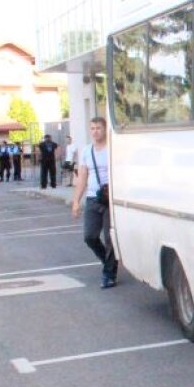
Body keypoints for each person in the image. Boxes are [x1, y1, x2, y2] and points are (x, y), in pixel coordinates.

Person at [71, 117, 118, 289]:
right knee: (89, 236)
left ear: (105, 129)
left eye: (98, 128)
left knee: (109, 238)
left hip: (110, 199)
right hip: (92, 198)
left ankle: (109, 273)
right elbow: (82, 177)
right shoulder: (86, 151)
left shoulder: (112, 149)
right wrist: (76, 201)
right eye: (92, 128)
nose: (95, 131)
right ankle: (108, 262)